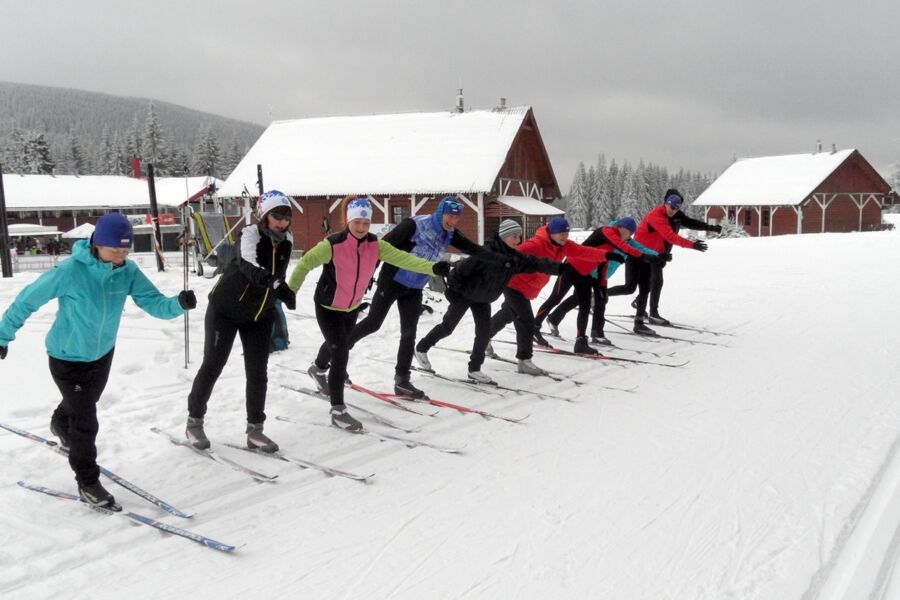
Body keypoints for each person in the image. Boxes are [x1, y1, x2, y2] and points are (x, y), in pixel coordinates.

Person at [0, 213, 195, 509]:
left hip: (102, 354)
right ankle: (88, 482)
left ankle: (60, 421)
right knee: (86, 421)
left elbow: (153, 302)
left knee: (83, 404)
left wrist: (177, 305)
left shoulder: (127, 272)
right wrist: (3, 335)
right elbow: (27, 300)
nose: (120, 256)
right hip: (66, 356)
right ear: (97, 244)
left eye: (125, 250)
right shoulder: (69, 272)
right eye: (114, 249)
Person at [288, 196, 450, 431]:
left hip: (351, 307)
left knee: (340, 347)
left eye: (366, 223)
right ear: (348, 220)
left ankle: (318, 369)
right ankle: (338, 410)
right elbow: (304, 264)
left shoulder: (376, 246)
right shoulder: (332, 245)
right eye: (357, 222)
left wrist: (432, 267)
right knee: (341, 352)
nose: (362, 228)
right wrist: (291, 291)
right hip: (328, 307)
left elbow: (405, 259)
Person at [344, 195, 497, 398]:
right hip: (392, 281)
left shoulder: (450, 234)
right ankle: (330, 358)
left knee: (409, 333)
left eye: (456, 218)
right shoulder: (414, 225)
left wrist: (504, 260)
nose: (452, 221)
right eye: (449, 216)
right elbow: (381, 248)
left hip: (414, 287)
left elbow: (474, 249)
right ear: (441, 212)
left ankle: (402, 381)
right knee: (372, 323)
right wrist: (366, 277)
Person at [184, 190, 296, 453]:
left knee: (258, 372)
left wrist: (281, 291)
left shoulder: (287, 239)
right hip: (225, 309)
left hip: (259, 314)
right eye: (276, 216)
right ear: (263, 215)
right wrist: (276, 284)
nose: (282, 222)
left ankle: (255, 430)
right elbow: (248, 264)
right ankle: (194, 421)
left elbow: (277, 272)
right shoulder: (249, 234)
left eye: (286, 217)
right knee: (213, 365)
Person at [414, 219, 562, 383]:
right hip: (464, 294)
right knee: (448, 327)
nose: (518, 240)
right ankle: (421, 348)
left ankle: (474, 369)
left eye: (519, 236)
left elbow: (534, 263)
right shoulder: (485, 253)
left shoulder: (514, 258)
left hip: (483, 298)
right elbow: (458, 272)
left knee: (483, 333)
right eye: (514, 236)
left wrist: (561, 269)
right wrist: (453, 292)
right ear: (504, 236)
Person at [486, 216, 614, 376]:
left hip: (528, 288)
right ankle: (524, 360)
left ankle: (485, 338)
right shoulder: (536, 244)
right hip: (514, 285)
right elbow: (512, 254)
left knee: (508, 314)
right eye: (561, 233)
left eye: (566, 233)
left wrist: (606, 256)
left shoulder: (564, 246)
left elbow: (583, 251)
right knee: (526, 321)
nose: (564, 237)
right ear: (551, 233)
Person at [540, 217, 660, 348]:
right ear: (622, 228)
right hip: (586, 269)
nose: (630, 236)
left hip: (601, 273)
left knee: (598, 300)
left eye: (631, 233)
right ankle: (555, 320)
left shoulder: (627, 241)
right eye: (629, 232)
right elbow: (619, 248)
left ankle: (593, 332)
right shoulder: (610, 235)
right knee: (580, 299)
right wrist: (641, 256)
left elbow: (641, 248)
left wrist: (658, 256)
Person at [607, 190, 713, 335]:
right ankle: (599, 295)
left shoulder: (673, 215)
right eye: (672, 207)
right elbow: (670, 237)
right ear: (665, 203)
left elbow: (684, 226)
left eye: (677, 208)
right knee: (630, 287)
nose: (673, 211)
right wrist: (692, 245)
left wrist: (661, 255)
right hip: (637, 254)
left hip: (651, 256)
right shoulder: (656, 216)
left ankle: (639, 323)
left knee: (646, 286)